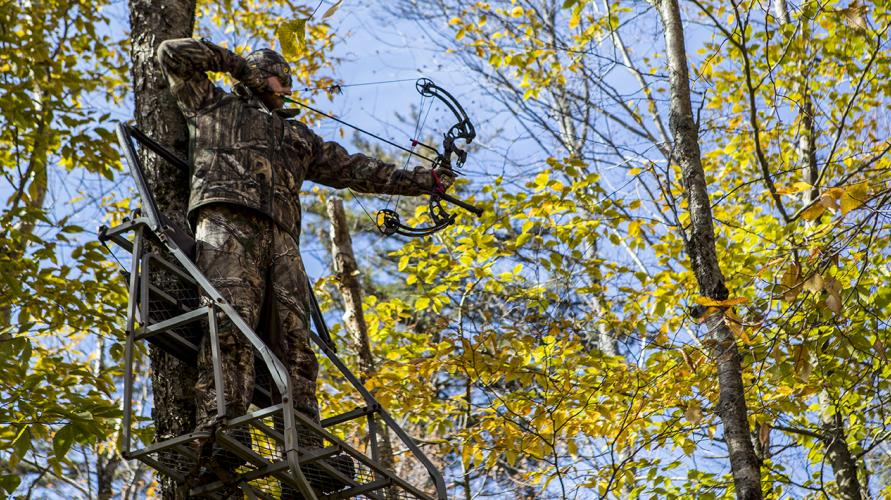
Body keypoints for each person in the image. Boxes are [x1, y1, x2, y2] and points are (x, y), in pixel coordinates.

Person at [155, 38, 453, 485]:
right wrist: (237, 64)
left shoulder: (298, 137)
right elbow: (171, 54)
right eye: (275, 76)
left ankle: (307, 453)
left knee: (296, 345)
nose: (284, 86)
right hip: (226, 221)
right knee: (229, 322)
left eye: (285, 79)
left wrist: (424, 181)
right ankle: (219, 429)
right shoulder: (211, 104)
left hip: (281, 239)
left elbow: (358, 168)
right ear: (256, 78)